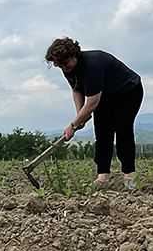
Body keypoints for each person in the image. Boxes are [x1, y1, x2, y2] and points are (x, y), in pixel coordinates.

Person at [44, 37, 143, 190]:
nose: (64, 67)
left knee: (122, 129)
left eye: (65, 63)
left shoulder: (92, 65)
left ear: (74, 55)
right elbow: (76, 89)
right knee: (102, 133)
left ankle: (130, 175)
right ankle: (102, 177)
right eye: (60, 65)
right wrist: (80, 115)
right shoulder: (67, 68)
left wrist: (73, 126)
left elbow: (92, 102)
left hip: (127, 91)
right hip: (104, 96)